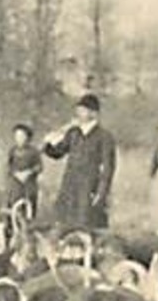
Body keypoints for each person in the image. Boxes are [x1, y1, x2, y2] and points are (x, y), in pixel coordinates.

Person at [43, 93, 116, 230]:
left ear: (93, 113)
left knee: (87, 225)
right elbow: (57, 153)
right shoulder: (73, 133)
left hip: (89, 187)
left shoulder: (104, 137)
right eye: (78, 109)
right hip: (70, 185)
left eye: (82, 110)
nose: (78, 113)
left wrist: (101, 193)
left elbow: (108, 168)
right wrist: (49, 142)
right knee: (64, 225)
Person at [6, 123, 42, 221]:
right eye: (17, 136)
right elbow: (9, 166)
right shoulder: (12, 151)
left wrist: (28, 172)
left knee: (29, 203)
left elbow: (39, 167)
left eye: (22, 136)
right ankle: (11, 228)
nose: (19, 139)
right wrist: (16, 173)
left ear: (27, 138)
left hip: (29, 183)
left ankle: (28, 226)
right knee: (13, 202)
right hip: (16, 183)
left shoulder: (34, 151)